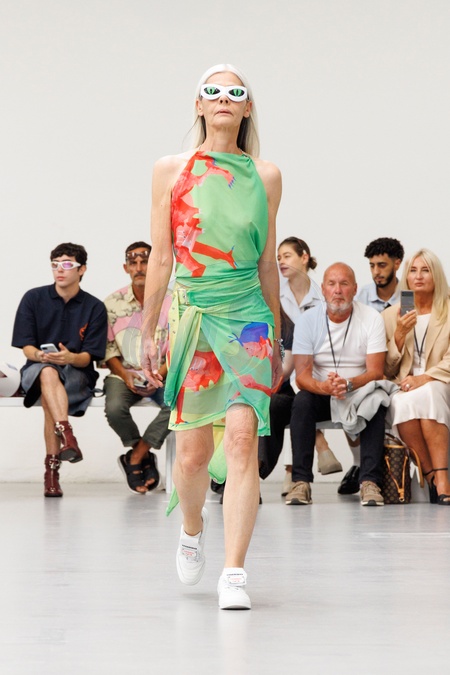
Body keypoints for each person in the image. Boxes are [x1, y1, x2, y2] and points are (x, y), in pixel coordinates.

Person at [141, 64, 283, 610]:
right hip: (194, 313)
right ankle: (193, 529)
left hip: (249, 318)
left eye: (235, 92)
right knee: (193, 454)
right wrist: (148, 330)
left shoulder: (265, 175)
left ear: (247, 107)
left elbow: (268, 262)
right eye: (213, 91)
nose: (224, 98)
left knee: (244, 440)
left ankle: (235, 573)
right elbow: (162, 257)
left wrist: (276, 336)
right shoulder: (171, 169)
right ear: (199, 104)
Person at [287, 262, 392, 507]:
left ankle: (370, 482)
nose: (337, 290)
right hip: (321, 391)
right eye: (332, 284)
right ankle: (300, 482)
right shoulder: (307, 320)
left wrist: (349, 384)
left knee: (376, 402)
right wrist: (325, 387)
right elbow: (302, 376)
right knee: (301, 401)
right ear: (323, 289)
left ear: (354, 289)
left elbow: (376, 372)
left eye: (344, 284)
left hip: (358, 390)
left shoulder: (371, 318)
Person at [11, 243, 107, 497]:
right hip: (36, 370)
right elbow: (27, 348)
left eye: (67, 264)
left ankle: (51, 473)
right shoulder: (33, 298)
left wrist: (70, 357)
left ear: (82, 269)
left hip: (77, 375)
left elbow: (88, 358)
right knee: (47, 373)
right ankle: (67, 435)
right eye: (55, 265)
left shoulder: (94, 307)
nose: (59, 270)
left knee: (49, 396)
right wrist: (42, 356)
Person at [262, 237, 342, 492]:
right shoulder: (274, 294)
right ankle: (320, 445)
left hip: (314, 370)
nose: (281, 262)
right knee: (288, 398)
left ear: (304, 257)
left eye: (287, 256)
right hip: (283, 372)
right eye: (279, 257)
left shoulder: (322, 296)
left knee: (303, 395)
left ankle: (292, 473)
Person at [102, 241, 172, 495]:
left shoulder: (172, 300)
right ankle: (142, 455)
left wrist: (158, 374)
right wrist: (124, 374)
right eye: (134, 263)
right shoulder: (112, 303)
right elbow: (108, 349)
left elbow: (179, 345)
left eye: (145, 262)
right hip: (124, 373)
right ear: (126, 268)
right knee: (114, 408)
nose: (139, 268)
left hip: (164, 372)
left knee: (178, 405)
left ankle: (136, 456)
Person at [383, 249, 450, 505]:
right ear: (406, 277)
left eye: (425, 270)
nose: (418, 276)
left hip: (441, 382)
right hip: (406, 385)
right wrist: (399, 336)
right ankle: (431, 474)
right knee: (402, 402)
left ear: (436, 275)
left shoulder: (447, 310)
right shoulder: (392, 315)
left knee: (429, 393)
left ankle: (441, 476)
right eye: (413, 270)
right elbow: (387, 369)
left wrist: (424, 378)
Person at [339, 237, 405, 495]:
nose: (376, 271)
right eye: (372, 266)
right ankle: (359, 464)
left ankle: (400, 471)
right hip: (367, 367)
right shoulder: (362, 296)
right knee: (350, 390)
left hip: (399, 365)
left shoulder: (408, 296)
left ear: (397, 264)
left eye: (382, 265)